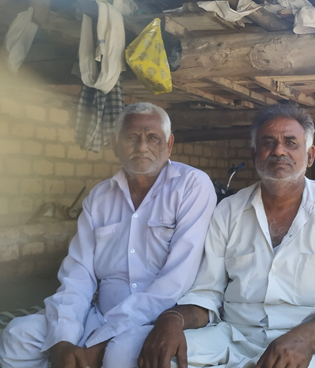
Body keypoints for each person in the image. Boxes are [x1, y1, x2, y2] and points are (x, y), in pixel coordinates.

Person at [138, 103, 315, 368]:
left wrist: (306, 339)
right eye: (268, 142)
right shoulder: (228, 211)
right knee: (160, 357)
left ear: (309, 156)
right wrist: (172, 319)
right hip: (234, 338)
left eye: (291, 142)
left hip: (312, 349)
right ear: (254, 154)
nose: (279, 150)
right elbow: (207, 293)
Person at [0, 102, 216, 368]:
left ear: (169, 144)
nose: (142, 147)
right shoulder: (100, 197)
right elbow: (77, 275)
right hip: (100, 314)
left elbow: (175, 283)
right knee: (18, 336)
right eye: (132, 138)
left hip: (156, 319)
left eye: (153, 139)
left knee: (121, 355)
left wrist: (98, 342)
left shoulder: (192, 186)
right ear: (114, 144)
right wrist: (63, 339)